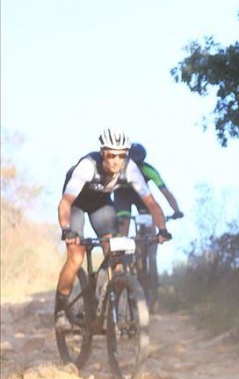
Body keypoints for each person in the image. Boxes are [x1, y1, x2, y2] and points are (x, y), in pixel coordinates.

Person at [55, 128, 171, 331]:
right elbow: (66, 202)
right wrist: (66, 229)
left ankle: (107, 308)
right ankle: (60, 311)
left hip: (101, 204)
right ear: (102, 153)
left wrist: (162, 230)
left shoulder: (130, 169)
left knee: (116, 256)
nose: (116, 160)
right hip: (77, 204)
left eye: (121, 155)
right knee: (75, 257)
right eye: (111, 155)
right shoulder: (86, 167)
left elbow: (151, 203)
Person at [113, 143, 184, 233]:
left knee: (149, 221)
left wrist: (176, 210)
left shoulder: (149, 170)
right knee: (123, 222)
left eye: (138, 165)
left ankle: (148, 240)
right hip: (122, 194)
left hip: (140, 195)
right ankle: (122, 244)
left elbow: (166, 193)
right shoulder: (116, 169)